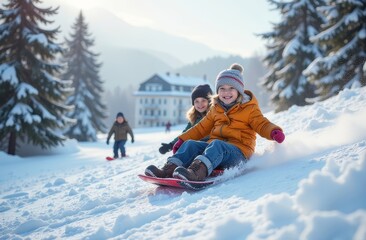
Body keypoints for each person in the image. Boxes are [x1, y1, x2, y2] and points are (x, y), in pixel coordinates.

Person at [144, 63, 285, 181]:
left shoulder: (249, 109)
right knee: (191, 144)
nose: (226, 92)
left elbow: (262, 124)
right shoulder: (215, 108)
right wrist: (181, 140)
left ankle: (196, 172)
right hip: (215, 150)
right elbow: (200, 128)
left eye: (231, 89)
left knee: (217, 145)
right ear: (218, 91)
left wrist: (273, 131)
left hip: (239, 153)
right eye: (222, 88)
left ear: (239, 91)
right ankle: (169, 169)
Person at [145, 84, 213, 177]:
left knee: (190, 144)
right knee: (188, 144)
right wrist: (170, 145)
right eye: (196, 101)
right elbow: (185, 134)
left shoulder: (213, 116)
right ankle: (168, 169)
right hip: (193, 148)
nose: (200, 104)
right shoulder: (194, 118)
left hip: (207, 149)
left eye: (203, 101)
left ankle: (193, 172)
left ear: (209, 102)